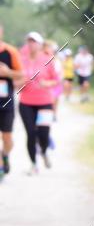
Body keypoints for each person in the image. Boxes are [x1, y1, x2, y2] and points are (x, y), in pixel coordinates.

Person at [19, 31, 60, 174]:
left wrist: (46, 83)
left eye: (34, 41)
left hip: (44, 102)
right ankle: (33, 164)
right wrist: (20, 82)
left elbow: (56, 80)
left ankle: (43, 151)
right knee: (30, 133)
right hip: (26, 102)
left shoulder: (48, 59)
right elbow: (16, 80)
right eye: (29, 41)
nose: (31, 44)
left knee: (43, 133)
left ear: (40, 44)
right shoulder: (21, 59)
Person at [0, 23, 24, 178]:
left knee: (7, 138)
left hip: (6, 102)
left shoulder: (10, 51)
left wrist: (7, 72)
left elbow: (20, 75)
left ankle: (5, 155)